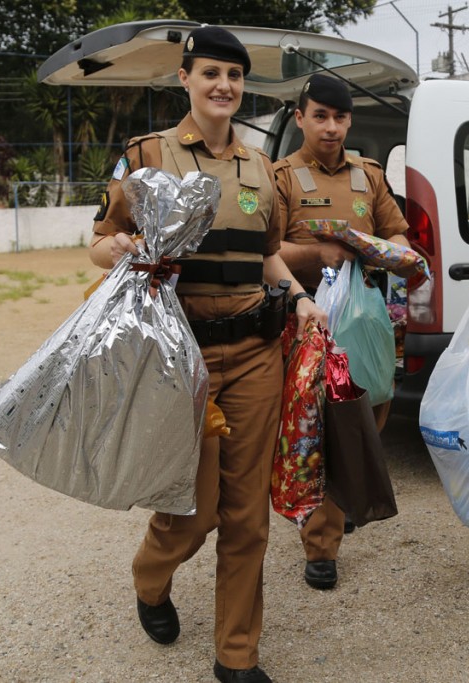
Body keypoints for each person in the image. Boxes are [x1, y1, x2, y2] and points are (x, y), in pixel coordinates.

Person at [88, 26, 326, 683]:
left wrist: (301, 297)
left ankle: (237, 654)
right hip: (178, 356)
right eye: (211, 72)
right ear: (185, 78)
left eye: (235, 75)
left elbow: (267, 253)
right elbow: (101, 240)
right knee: (193, 511)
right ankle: (151, 573)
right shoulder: (148, 154)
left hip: (254, 353)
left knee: (246, 513)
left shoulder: (259, 166)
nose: (224, 85)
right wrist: (126, 252)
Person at [273, 73, 411, 591]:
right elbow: (269, 253)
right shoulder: (282, 176)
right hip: (305, 321)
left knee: (369, 414)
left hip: (365, 318)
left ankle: (341, 497)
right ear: (300, 118)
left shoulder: (368, 175)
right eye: (320, 116)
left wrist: (384, 249)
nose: (331, 128)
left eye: (340, 117)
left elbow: (396, 231)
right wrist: (317, 254)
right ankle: (322, 544)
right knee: (321, 429)